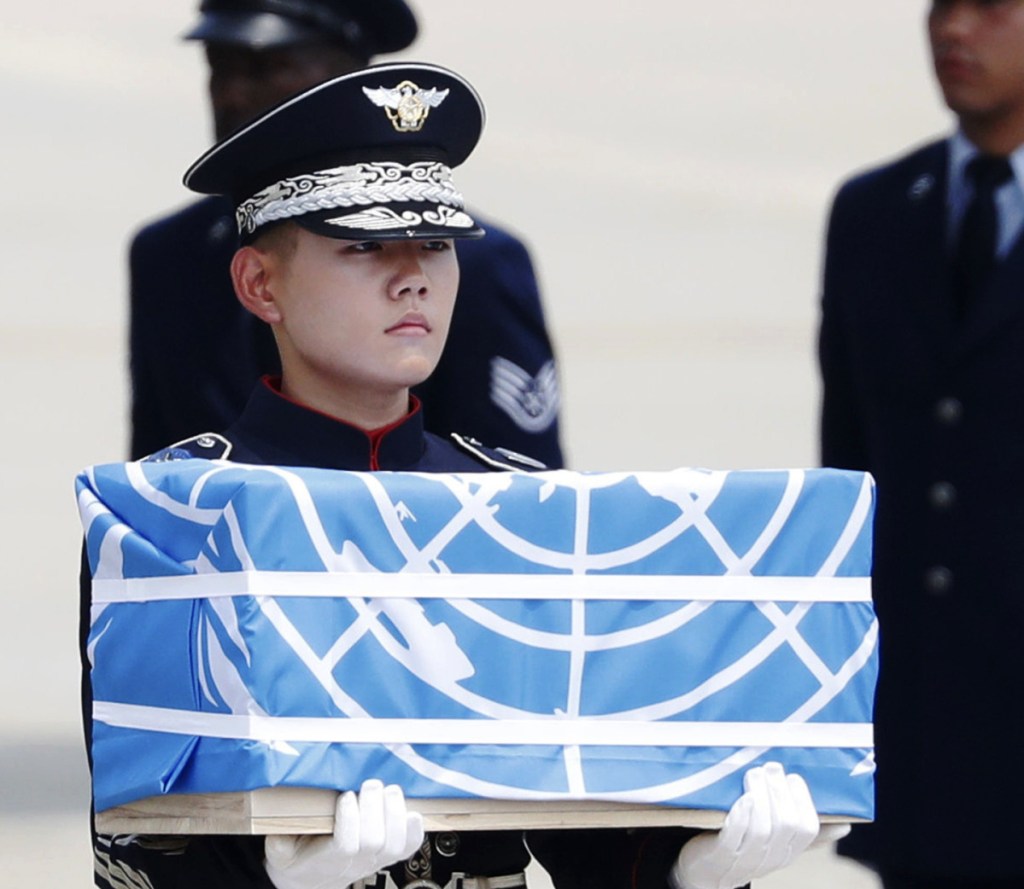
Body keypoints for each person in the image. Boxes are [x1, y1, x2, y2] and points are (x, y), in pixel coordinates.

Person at [84, 62, 839, 889]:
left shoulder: (517, 506)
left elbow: (581, 806)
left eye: (436, 245)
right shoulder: (169, 517)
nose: (412, 275)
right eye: (365, 245)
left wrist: (691, 866)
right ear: (261, 283)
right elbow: (134, 834)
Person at [129, 0, 564, 468]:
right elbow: (154, 464)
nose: (234, 94)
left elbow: (523, 497)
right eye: (221, 68)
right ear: (254, 281)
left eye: (271, 67)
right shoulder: (168, 253)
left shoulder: (483, 264)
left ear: (350, 74)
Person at [817, 1, 1024, 885]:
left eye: (991, 7)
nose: (953, 30)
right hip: (923, 726)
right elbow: (848, 464)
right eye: (942, 6)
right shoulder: (873, 213)